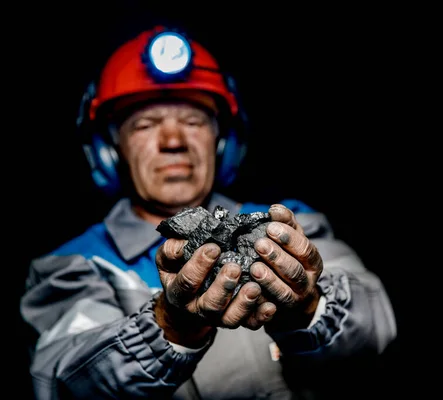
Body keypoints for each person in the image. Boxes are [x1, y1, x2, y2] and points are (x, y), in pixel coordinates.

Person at [20, 25, 397, 399]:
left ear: (222, 143)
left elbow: (374, 324)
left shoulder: (291, 225)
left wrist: (306, 304)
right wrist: (172, 324)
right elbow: (65, 380)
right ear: (110, 151)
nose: (173, 141)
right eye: (145, 125)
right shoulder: (73, 265)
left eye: (194, 121)